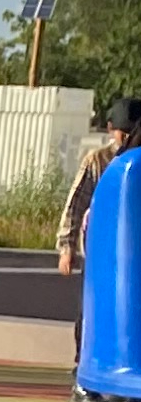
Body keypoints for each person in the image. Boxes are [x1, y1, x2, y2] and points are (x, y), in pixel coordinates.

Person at [59, 97, 140, 274]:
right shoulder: (97, 160)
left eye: (133, 133)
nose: (128, 138)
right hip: (101, 248)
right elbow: (76, 202)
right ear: (111, 129)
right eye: (124, 133)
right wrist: (67, 247)